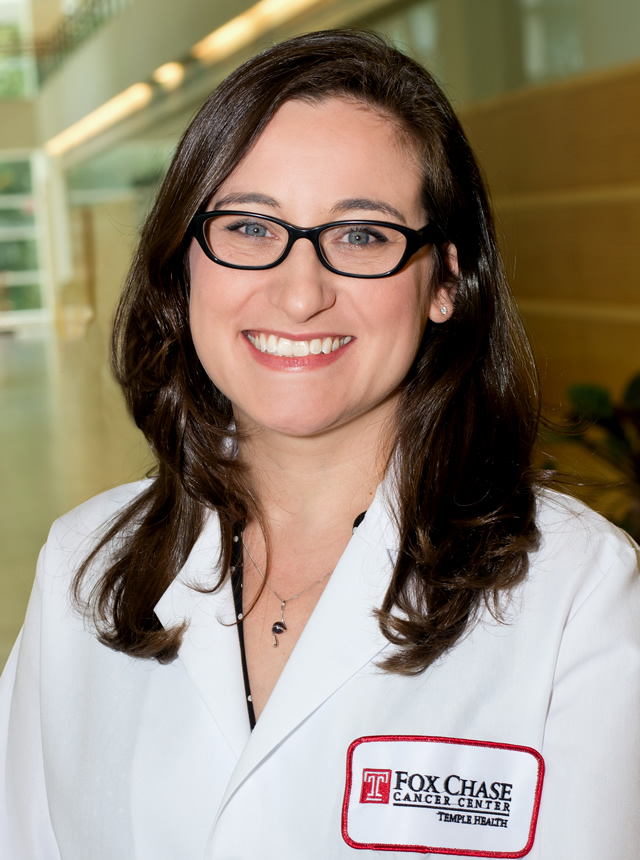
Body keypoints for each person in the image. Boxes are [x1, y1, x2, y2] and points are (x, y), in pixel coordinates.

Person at [1, 29, 638, 860]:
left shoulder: (578, 596)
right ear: (185, 264)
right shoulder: (81, 569)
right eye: (250, 228)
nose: (300, 293)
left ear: (445, 282)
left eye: (362, 236)